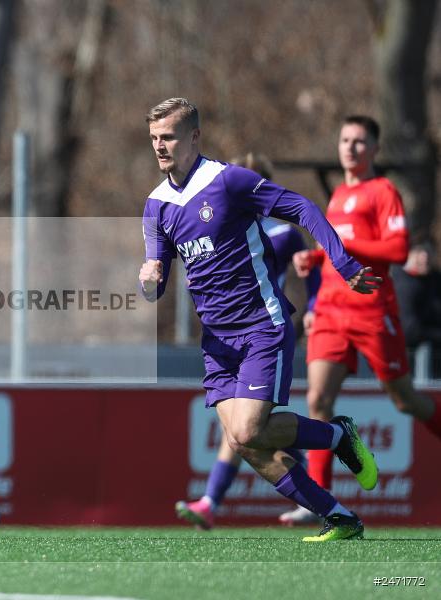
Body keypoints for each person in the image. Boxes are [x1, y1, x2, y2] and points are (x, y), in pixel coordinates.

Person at [139, 98, 381, 542]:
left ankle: (335, 435)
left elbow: (304, 209)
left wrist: (345, 266)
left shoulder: (227, 181)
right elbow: (154, 277)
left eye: (168, 136)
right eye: (154, 138)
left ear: (194, 137)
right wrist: (149, 277)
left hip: (259, 327)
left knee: (249, 430)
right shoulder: (156, 206)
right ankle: (339, 514)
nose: (159, 146)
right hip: (216, 341)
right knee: (245, 443)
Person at [280, 115, 441, 525]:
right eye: (345, 140)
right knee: (318, 401)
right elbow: (338, 251)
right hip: (332, 311)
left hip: (371, 310)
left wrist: (348, 242)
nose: (350, 147)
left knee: (405, 399)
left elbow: (398, 249)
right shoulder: (335, 199)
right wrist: (315, 257)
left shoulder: (382, 191)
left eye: (359, 141)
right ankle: (318, 503)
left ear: (374, 149)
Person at [174, 153, 319, 530]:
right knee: (246, 430)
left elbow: (310, 272)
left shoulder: (282, 233)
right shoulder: (215, 228)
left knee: (247, 428)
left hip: (265, 328)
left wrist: (314, 307)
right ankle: (313, 496)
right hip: (227, 338)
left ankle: (211, 500)